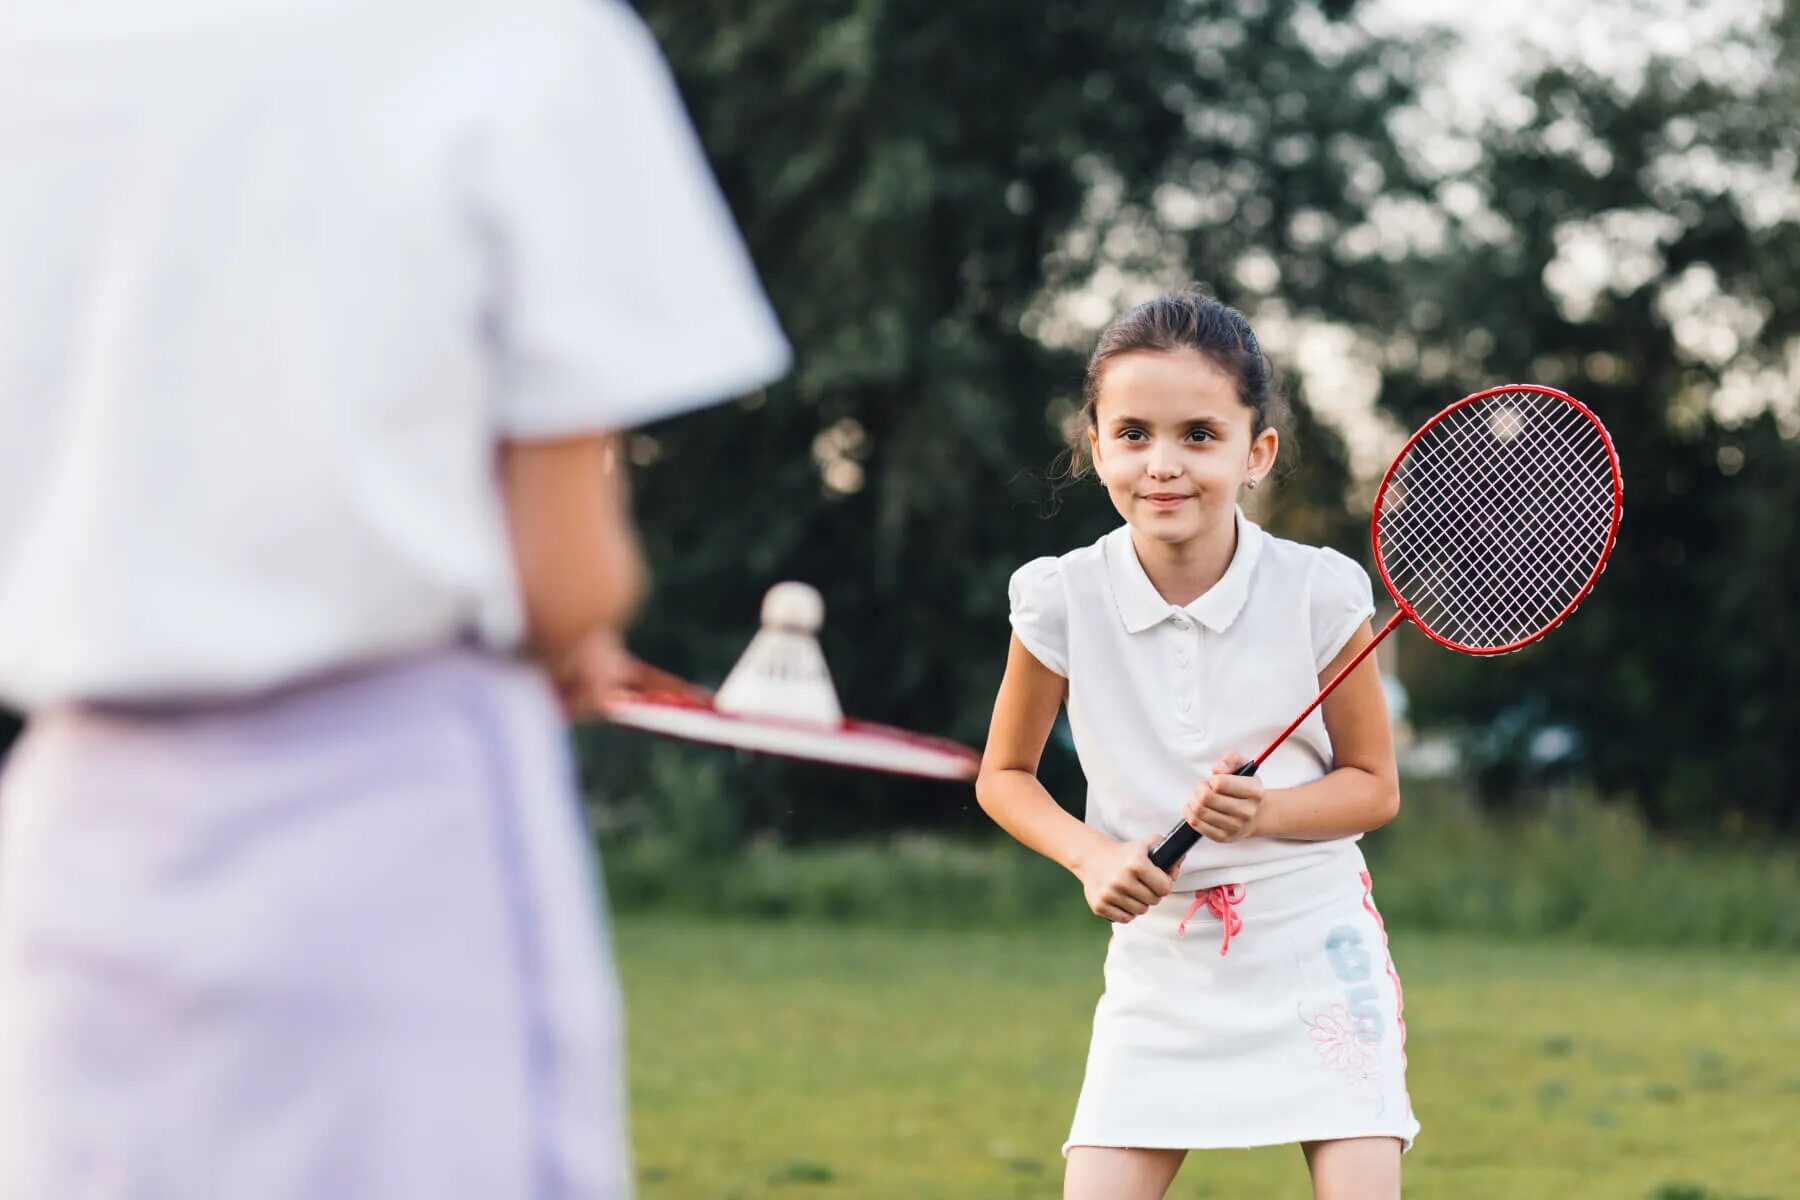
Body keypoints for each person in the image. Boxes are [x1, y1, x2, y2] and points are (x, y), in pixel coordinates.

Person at [0, 1, 786, 1196]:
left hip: (77, 821)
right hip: (388, 817)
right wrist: (578, 634)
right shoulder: (521, 36)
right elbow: (560, 581)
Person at [976, 290, 1416, 1200]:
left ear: (1257, 453)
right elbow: (1005, 776)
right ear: (1094, 444)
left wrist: (1271, 810)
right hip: (1162, 959)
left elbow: (1374, 788)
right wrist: (1094, 856)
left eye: (1200, 436)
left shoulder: (1319, 592)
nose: (1163, 465)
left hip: (1313, 942)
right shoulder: (1060, 597)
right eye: (1133, 434)